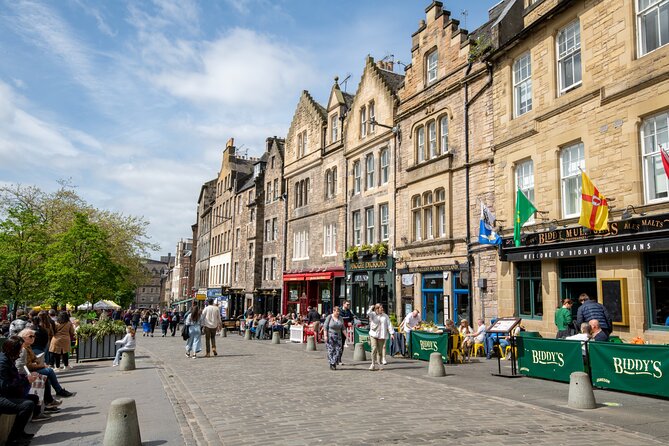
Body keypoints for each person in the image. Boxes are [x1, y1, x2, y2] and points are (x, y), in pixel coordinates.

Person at [0, 336, 39, 445]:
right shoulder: (3, 363)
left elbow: (14, 378)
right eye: (19, 350)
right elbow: (5, 385)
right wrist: (26, 380)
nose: (20, 353)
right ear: (13, 349)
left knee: (33, 399)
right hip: (2, 396)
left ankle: (20, 432)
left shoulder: (8, 358)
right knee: (27, 404)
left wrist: (27, 378)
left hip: (6, 394)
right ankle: (13, 439)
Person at [367, 304, 395, 370]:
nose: (382, 309)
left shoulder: (385, 316)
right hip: (374, 334)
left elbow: (389, 324)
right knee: (374, 349)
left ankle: (379, 364)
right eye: (380, 308)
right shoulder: (373, 314)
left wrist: (392, 333)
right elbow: (368, 313)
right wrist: (371, 307)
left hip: (382, 335)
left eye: (382, 308)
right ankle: (373, 364)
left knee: (380, 351)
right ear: (377, 309)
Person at [323, 306, 346, 371]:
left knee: (338, 350)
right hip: (330, 335)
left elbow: (343, 327)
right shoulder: (329, 317)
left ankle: (334, 361)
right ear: (333, 311)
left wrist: (347, 335)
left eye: (339, 312)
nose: (338, 313)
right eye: (337, 311)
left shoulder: (341, 318)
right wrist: (325, 336)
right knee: (331, 350)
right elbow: (325, 326)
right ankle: (332, 363)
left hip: (338, 336)